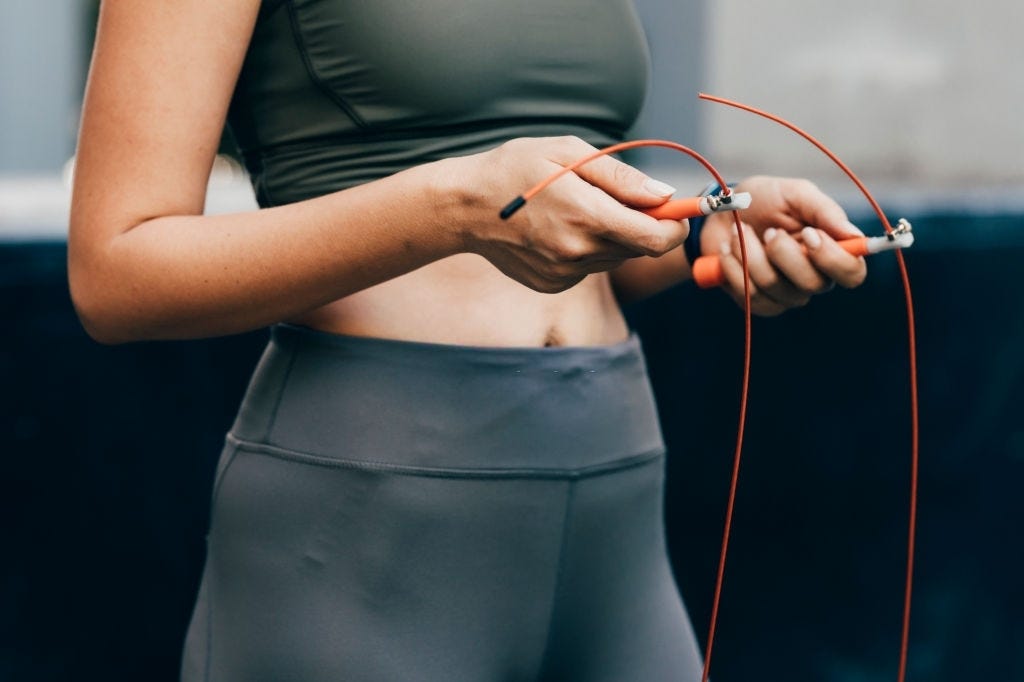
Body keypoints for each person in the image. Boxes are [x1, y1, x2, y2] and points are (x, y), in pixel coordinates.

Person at [69, 1, 867, 680]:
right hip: (369, 530)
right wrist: (450, 207)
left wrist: (704, 233)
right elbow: (114, 273)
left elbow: (558, 251)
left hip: (615, 497)